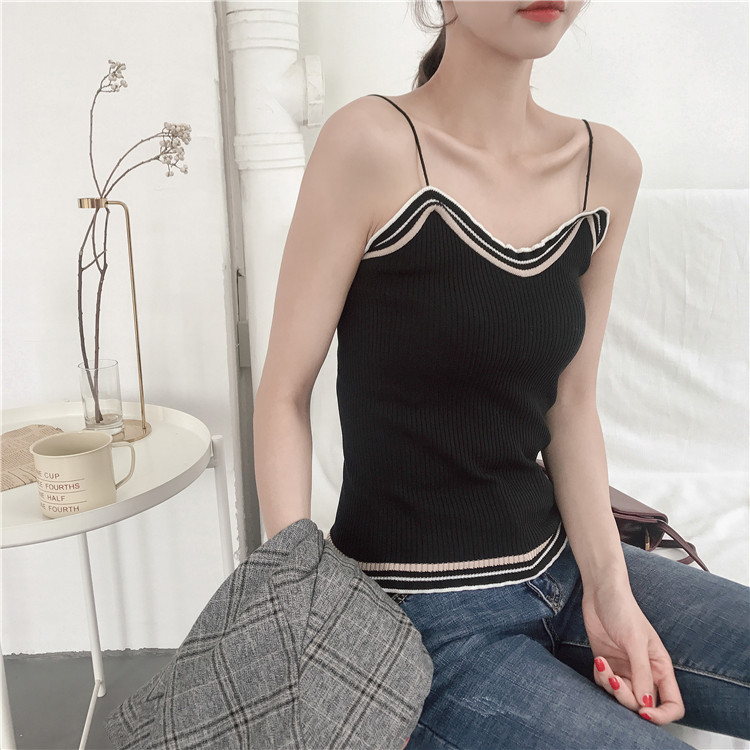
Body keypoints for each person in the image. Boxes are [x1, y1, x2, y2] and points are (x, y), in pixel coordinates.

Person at [252, 1, 750, 747]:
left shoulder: (606, 167)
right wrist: (299, 610)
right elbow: (283, 397)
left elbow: (571, 405)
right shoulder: (370, 144)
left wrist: (611, 592)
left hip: (562, 565)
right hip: (418, 615)